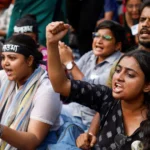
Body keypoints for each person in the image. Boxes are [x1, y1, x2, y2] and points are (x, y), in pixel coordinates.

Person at [46, 21, 150, 150]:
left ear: (147, 85)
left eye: (130, 75)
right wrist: (51, 43)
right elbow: (61, 85)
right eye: (117, 70)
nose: (119, 77)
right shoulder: (107, 98)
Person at [58, 20, 125, 130]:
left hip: (88, 121)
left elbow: (92, 90)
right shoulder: (90, 55)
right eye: (96, 36)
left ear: (117, 45)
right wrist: (60, 59)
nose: (99, 41)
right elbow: (67, 80)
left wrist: (69, 63)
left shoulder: (120, 64)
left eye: (106, 38)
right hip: (71, 110)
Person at [0, 34, 62, 150]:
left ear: (29, 60)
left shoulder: (46, 91)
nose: (5, 63)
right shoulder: (4, 77)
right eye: (3, 57)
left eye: (12, 58)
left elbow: (32, 141)